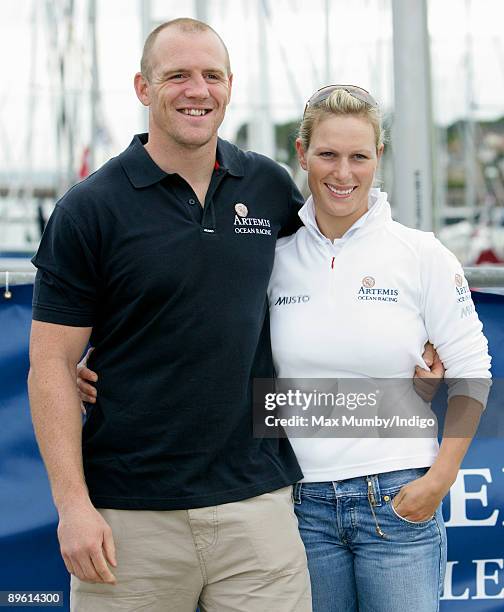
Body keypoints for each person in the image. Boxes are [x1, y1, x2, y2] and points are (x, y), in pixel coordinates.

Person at [28, 18, 313, 612]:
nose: (197, 90)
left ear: (230, 87)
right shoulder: (89, 210)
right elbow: (50, 363)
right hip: (129, 521)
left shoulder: (267, 186)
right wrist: (73, 508)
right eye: (177, 75)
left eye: (211, 76)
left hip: (256, 511)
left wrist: (422, 333)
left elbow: (338, 267)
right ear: (142, 87)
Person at [265, 85, 491, 611]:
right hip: (301, 506)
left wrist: (439, 479)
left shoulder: (421, 254)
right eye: (327, 154)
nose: (343, 173)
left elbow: (472, 371)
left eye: (358, 156)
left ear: (378, 158)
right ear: (302, 155)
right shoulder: (274, 258)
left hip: (398, 501)